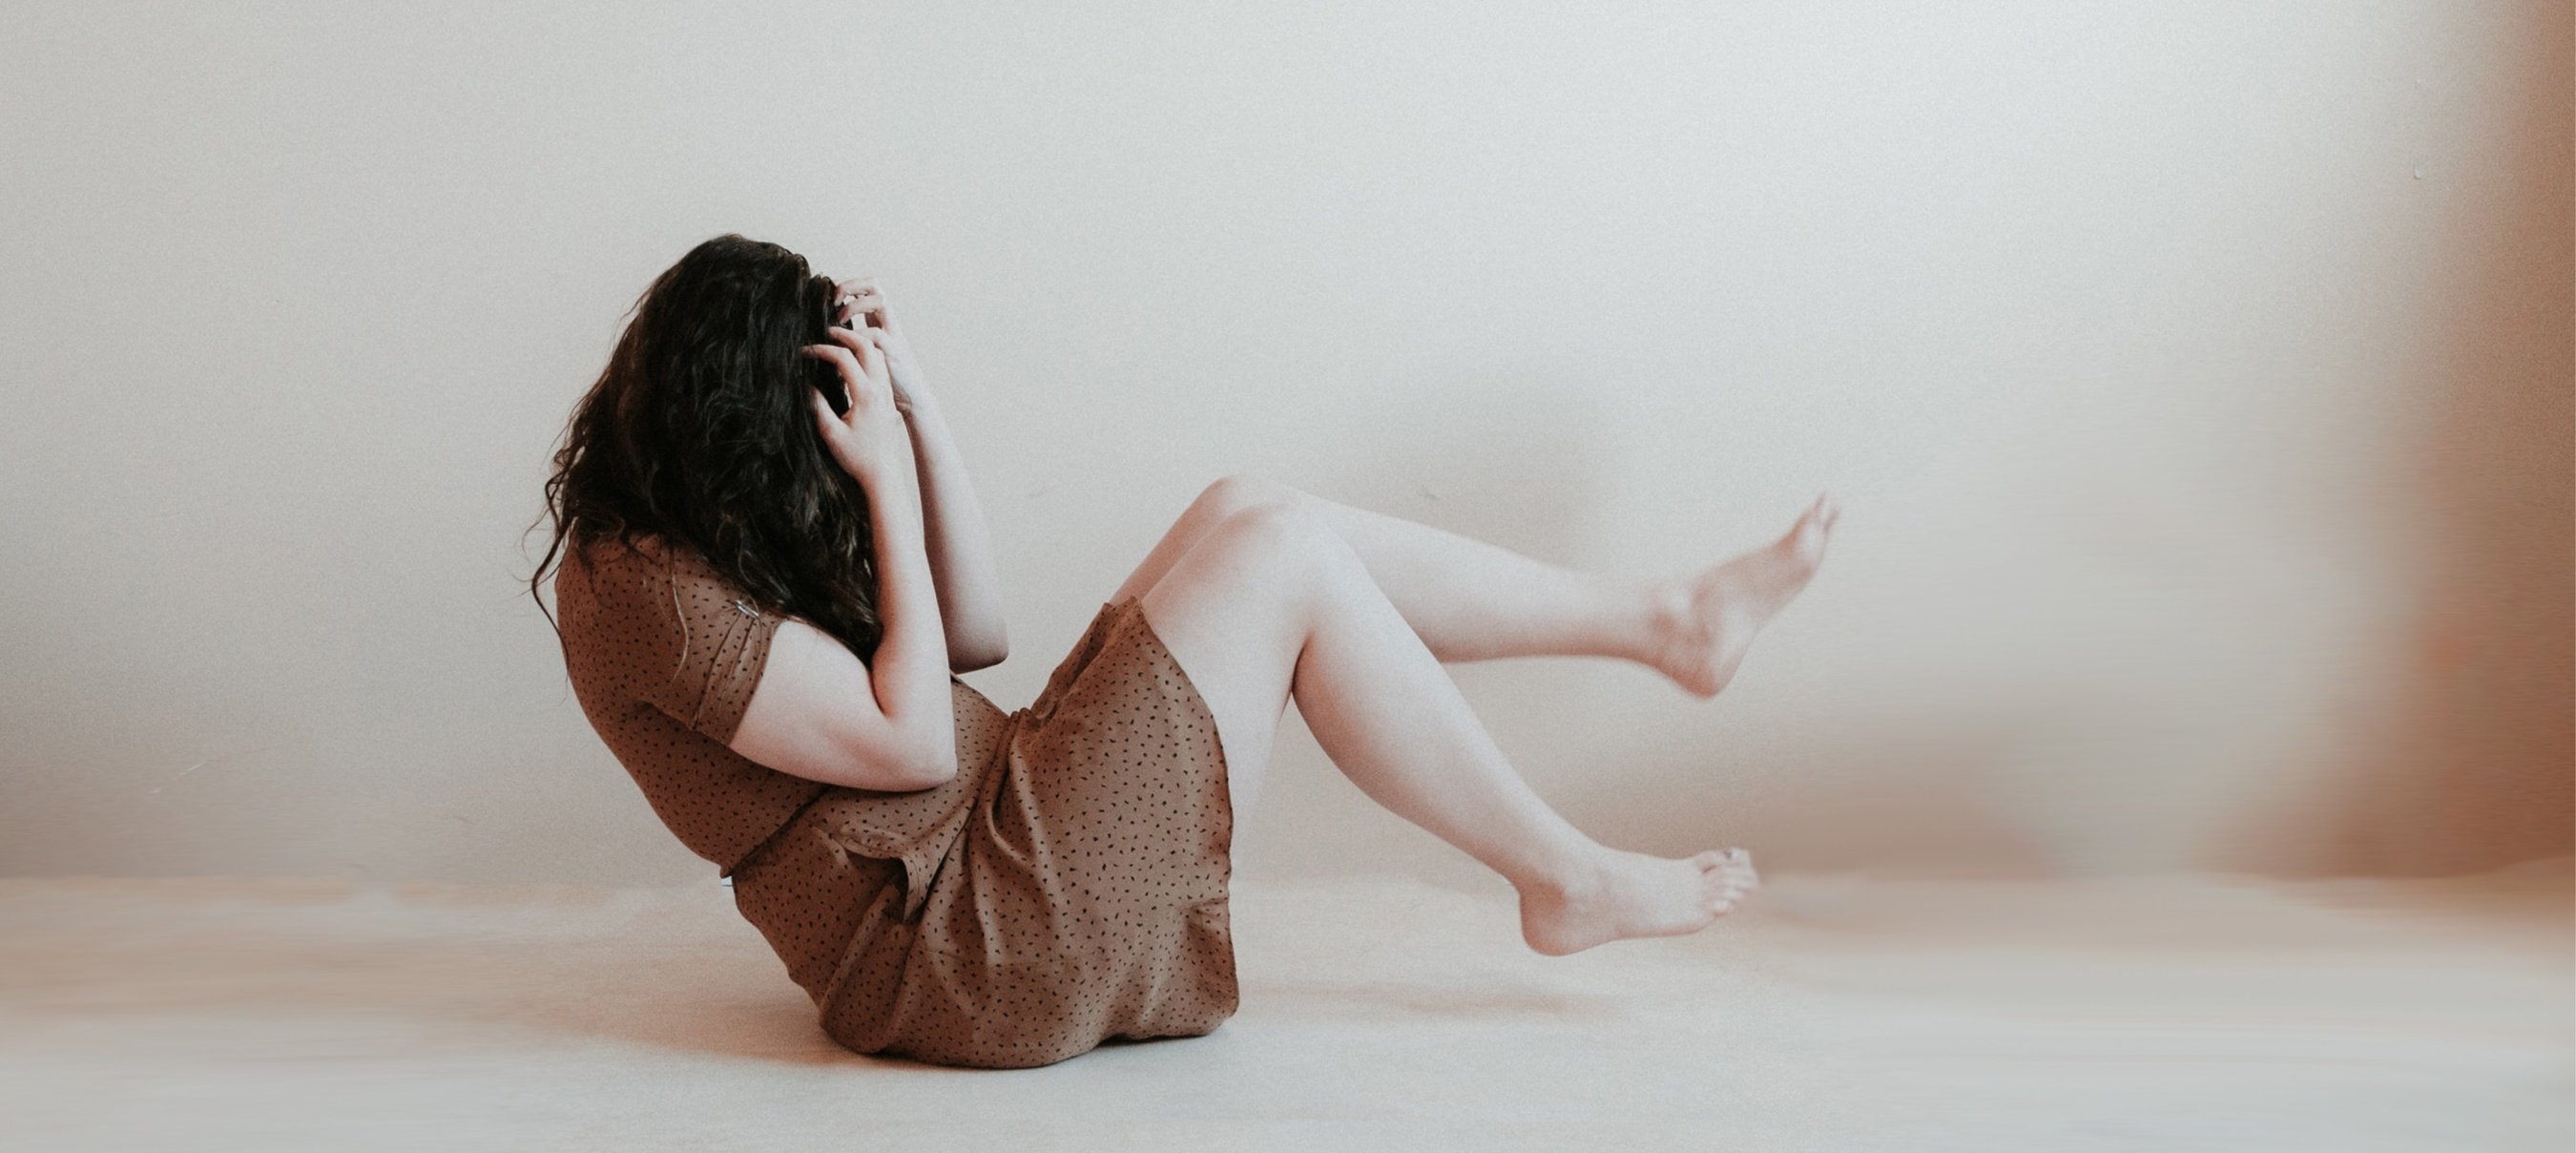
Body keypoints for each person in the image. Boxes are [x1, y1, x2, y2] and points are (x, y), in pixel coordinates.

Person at [530, 233, 1835, 1069]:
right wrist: (873, 488)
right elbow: (915, 737)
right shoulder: (639, 590)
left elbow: (973, 636)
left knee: (1250, 511)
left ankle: (1664, 625)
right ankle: (1570, 872)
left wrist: (916, 411)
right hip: (969, 954)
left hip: (997, 842)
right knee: (1275, 551)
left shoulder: (699, 527)